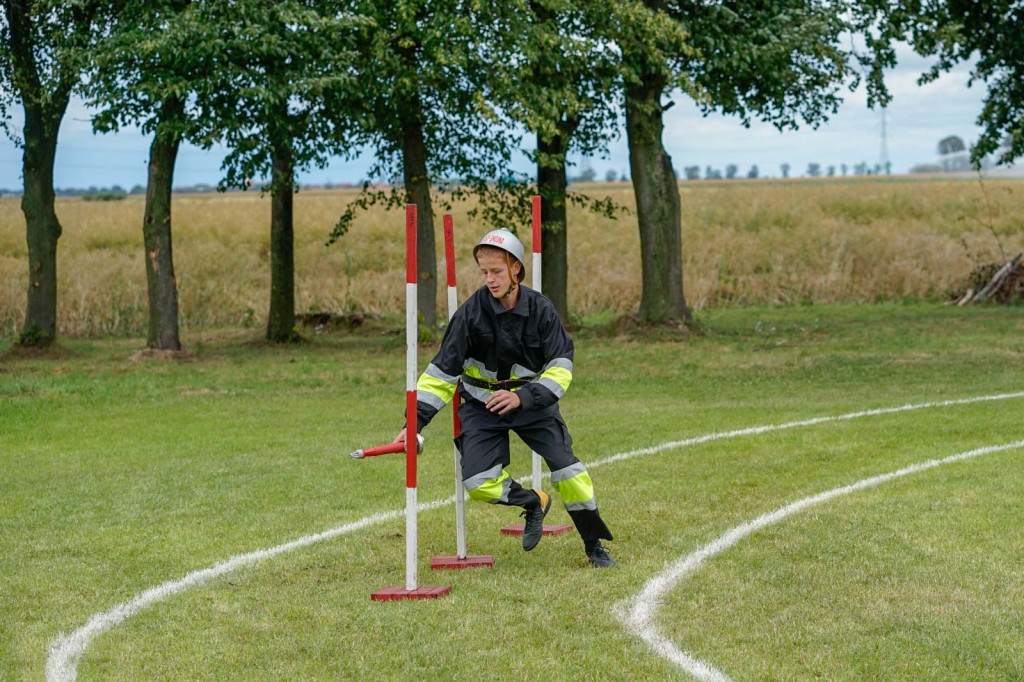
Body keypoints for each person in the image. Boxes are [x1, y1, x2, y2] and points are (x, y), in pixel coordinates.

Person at [395, 227, 615, 568]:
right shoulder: (468, 315)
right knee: (478, 483)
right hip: (481, 408)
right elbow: (440, 375)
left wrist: (524, 397)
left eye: (496, 271)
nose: (490, 280)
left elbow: (561, 367)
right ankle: (533, 502)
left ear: (516, 269)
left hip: (533, 406)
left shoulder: (542, 310)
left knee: (570, 472)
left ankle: (594, 545)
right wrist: (414, 424)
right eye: (484, 272)